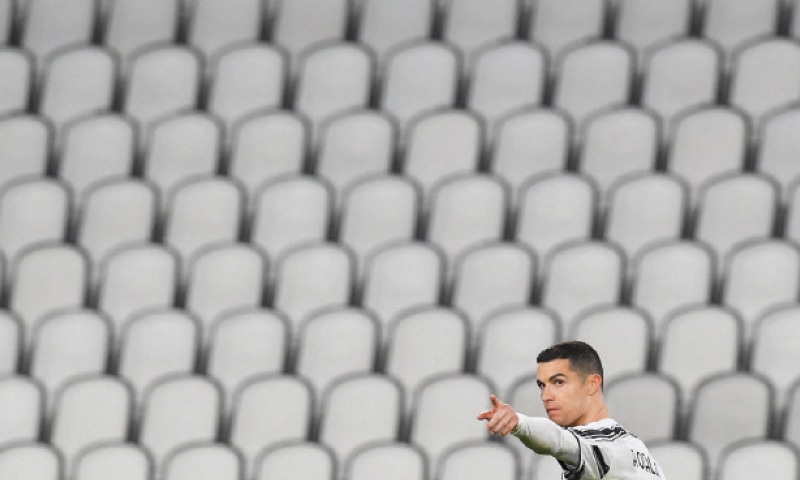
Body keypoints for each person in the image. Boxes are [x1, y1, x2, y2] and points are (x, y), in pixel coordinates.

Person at [477, 340, 665, 479]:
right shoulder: (640, 452)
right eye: (542, 385)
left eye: (558, 382)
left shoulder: (601, 449)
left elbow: (558, 441)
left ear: (592, 384)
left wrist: (520, 424)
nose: (545, 396)